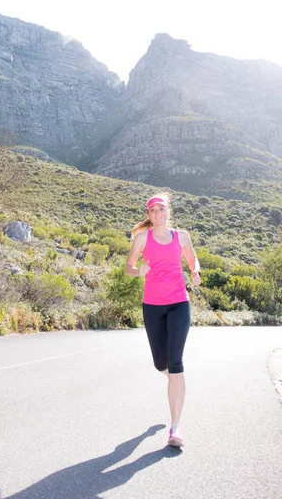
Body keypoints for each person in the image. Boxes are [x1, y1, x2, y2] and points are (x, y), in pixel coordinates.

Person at [125, 192, 201, 448]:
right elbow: (128, 267)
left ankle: (175, 427)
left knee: (175, 363)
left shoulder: (182, 237)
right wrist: (138, 271)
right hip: (152, 306)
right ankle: (173, 378)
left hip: (179, 303)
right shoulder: (142, 238)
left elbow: (193, 259)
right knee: (161, 364)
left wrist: (195, 272)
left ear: (168, 212)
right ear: (148, 215)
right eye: (153, 211)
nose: (158, 214)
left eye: (162, 210)